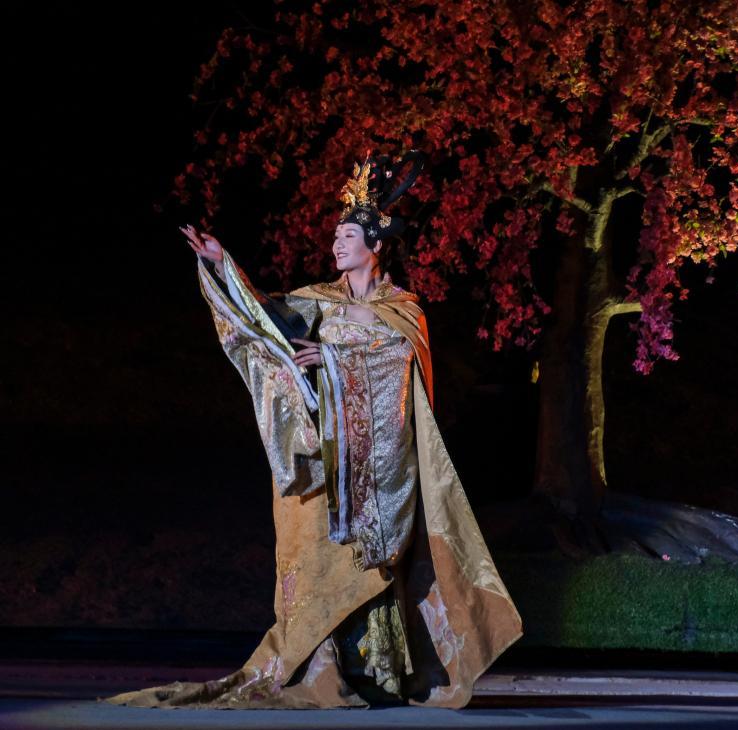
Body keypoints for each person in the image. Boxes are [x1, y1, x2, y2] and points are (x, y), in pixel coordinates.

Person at [105, 151, 523, 710]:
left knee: (365, 562)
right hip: (319, 459)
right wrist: (224, 266)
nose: (336, 244)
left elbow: (397, 358)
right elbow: (267, 321)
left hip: (369, 466)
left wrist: (332, 358)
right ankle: (320, 666)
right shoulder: (317, 302)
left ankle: (378, 671)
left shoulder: (404, 310)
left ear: (375, 245)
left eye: (348, 235)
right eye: (335, 235)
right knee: (315, 562)